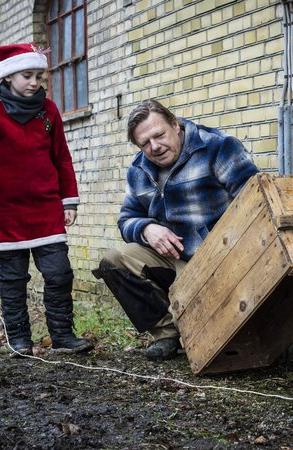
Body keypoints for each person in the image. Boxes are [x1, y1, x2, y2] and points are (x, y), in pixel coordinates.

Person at [93, 99, 259, 361]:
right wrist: (147, 228)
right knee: (114, 261)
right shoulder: (138, 170)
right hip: (174, 263)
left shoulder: (218, 147)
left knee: (216, 346)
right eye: (145, 143)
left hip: (223, 262)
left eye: (159, 135)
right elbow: (126, 220)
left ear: (176, 125)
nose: (155, 147)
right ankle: (167, 334)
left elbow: (255, 202)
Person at [0, 42, 92, 357]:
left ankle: (62, 336)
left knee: (60, 273)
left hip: (45, 208)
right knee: (13, 279)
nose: (34, 82)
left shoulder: (49, 111)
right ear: (7, 78)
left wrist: (68, 201)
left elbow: (62, 158)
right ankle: (19, 339)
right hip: (4, 212)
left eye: (38, 75)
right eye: (26, 75)